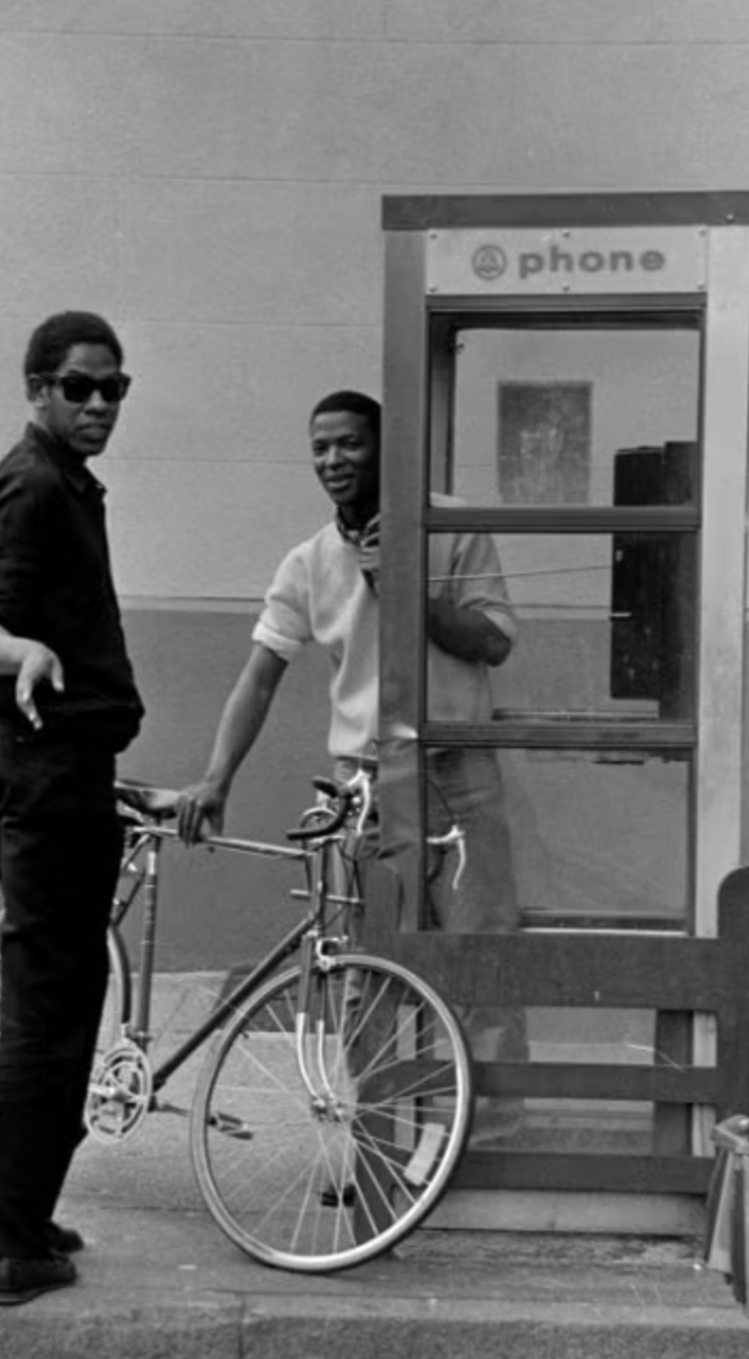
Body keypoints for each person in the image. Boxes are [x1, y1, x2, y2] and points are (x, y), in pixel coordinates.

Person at [176, 390, 526, 1066]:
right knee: (365, 967)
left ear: (387, 451)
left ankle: (495, 1125)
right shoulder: (308, 561)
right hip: (365, 785)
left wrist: (407, 591)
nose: (333, 460)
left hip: (457, 771)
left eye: (350, 444)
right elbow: (259, 677)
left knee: (484, 960)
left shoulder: (454, 527)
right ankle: (374, 1130)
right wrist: (217, 778)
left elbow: (494, 641)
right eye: (320, 448)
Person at [0, 311, 144, 1306]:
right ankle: (14, 1246)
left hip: (38, 756)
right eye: (79, 387)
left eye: (114, 388)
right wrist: (23, 652)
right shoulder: (33, 484)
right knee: (54, 998)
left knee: (56, 987)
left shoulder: (60, 480)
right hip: (42, 756)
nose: (99, 403)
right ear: (37, 389)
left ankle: (6, 1213)